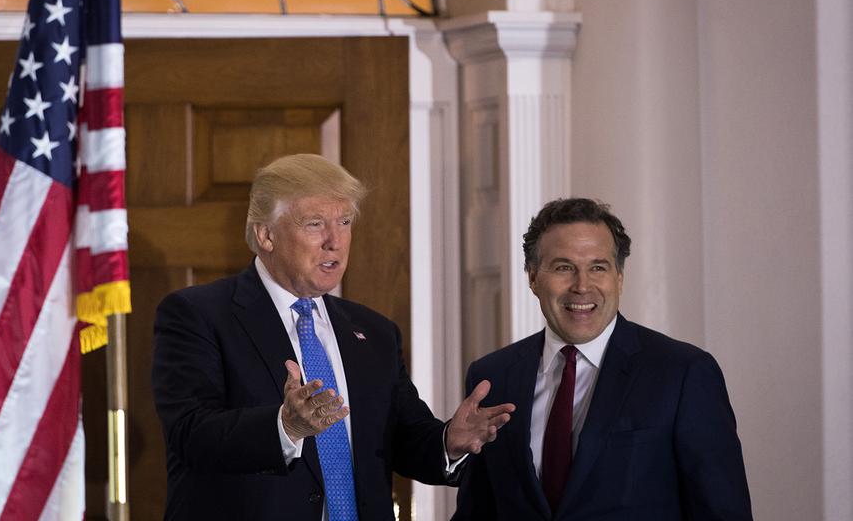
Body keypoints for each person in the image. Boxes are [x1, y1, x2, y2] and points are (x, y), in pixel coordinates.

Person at [152, 153, 514, 520]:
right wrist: (285, 427)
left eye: (344, 222)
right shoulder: (199, 314)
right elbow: (190, 434)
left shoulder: (375, 333)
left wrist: (449, 443)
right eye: (314, 224)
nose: (335, 241)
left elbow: (402, 439)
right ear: (266, 235)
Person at [453, 198, 752, 520]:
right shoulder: (492, 377)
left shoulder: (683, 373)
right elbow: (477, 511)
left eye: (598, 267)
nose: (582, 286)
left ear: (619, 277)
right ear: (533, 277)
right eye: (563, 267)